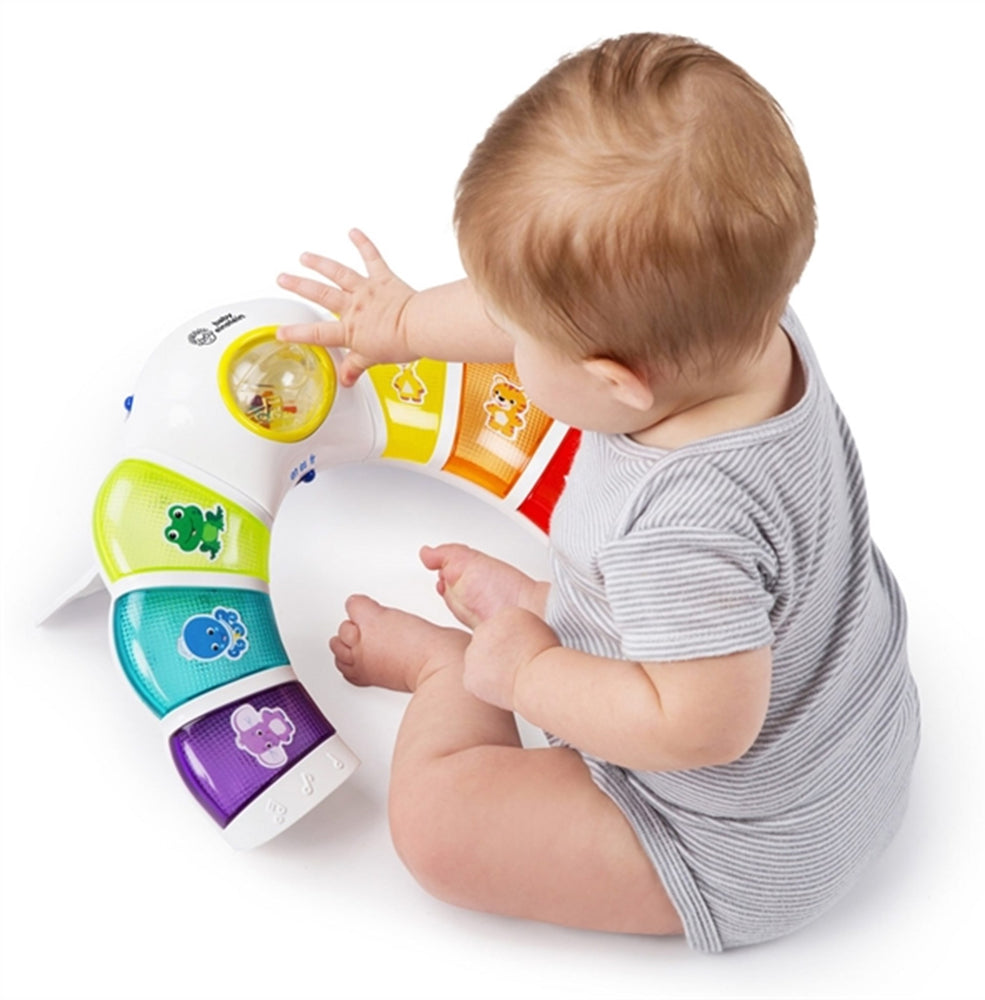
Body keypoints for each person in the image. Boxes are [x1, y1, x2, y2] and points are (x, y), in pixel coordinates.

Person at [274, 33, 920, 952]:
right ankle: (566, 616)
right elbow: (552, 310)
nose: (500, 340)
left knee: (439, 828)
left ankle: (448, 672)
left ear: (617, 382)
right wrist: (405, 322)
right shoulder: (733, 321)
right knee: (679, 616)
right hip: (850, 724)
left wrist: (527, 672)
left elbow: (699, 728)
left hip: (735, 838)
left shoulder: (687, 526)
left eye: (517, 337)